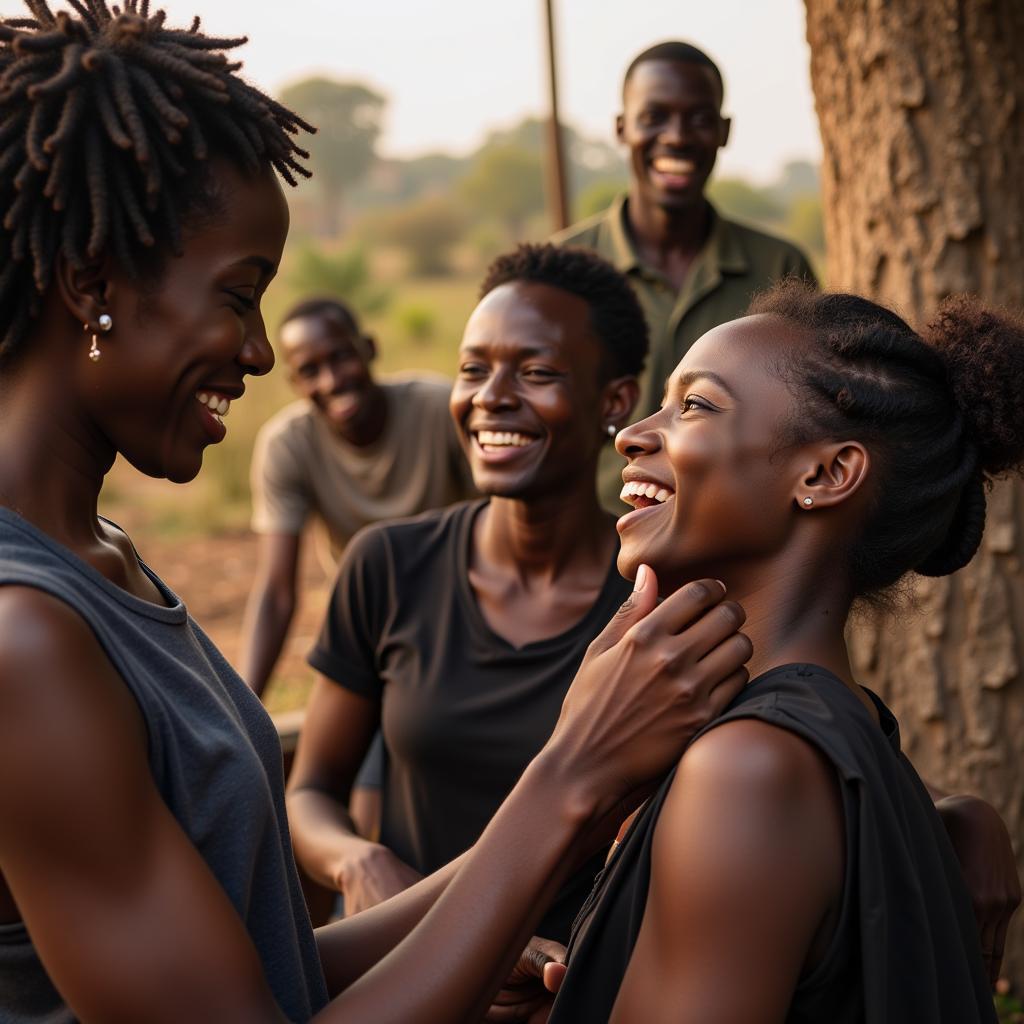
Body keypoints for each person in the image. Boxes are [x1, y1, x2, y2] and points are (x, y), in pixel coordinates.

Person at [0, 5, 757, 1021]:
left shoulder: (102, 560)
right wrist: (571, 775)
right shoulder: (25, 637)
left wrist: (569, 809)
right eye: (239, 295)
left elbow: (268, 966)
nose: (261, 353)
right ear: (92, 285)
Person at [546, 282, 1024, 1022]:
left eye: (695, 406)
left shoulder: (750, 768)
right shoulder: (837, 729)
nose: (633, 434)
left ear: (826, 475)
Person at [286, 243, 648, 940]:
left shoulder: (657, 600)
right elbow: (309, 791)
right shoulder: (388, 566)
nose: (491, 397)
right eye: (473, 370)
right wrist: (358, 861)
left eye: (537, 371)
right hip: (412, 970)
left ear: (616, 401)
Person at [552, 40, 816, 510]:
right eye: (653, 117)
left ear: (723, 130)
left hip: (731, 538)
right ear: (621, 128)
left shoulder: (780, 268)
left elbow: (805, 420)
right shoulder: (562, 269)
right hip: (593, 544)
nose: (676, 137)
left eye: (698, 119)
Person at [241, 296, 472, 700]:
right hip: (370, 623)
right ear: (295, 383)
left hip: (463, 605)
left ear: (369, 349)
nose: (331, 381)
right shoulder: (289, 446)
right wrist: (241, 705)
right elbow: (277, 592)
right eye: (310, 371)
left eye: (341, 357)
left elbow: (504, 516)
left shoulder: (438, 409)